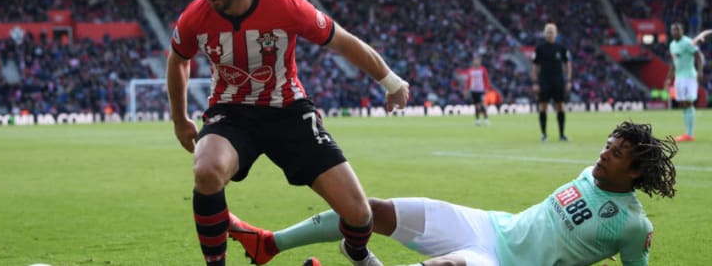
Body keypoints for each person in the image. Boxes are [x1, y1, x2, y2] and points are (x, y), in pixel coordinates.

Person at [167, 0, 410, 266]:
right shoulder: (196, 16)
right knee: (206, 171)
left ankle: (356, 252)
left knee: (359, 214)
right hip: (231, 114)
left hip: (290, 112)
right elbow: (178, 60)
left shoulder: (285, 6)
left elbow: (343, 41)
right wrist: (180, 120)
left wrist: (392, 82)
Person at [228, 121, 677, 266]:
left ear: (635, 172)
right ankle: (270, 243)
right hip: (490, 224)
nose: (603, 154)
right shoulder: (590, 173)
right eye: (608, 145)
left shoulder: (633, 225)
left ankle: (359, 259)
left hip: (502, 263)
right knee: (369, 211)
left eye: (616, 154)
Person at [663, 22, 704, 142]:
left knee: (689, 102)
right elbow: (674, 64)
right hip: (679, 78)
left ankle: (690, 134)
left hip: (689, 76)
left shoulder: (687, 42)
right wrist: (668, 78)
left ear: (682, 31)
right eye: (674, 30)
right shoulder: (672, 45)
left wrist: (700, 72)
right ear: (671, 32)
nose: (675, 32)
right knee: (683, 104)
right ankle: (687, 133)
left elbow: (699, 56)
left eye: (678, 30)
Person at [531, 22, 572, 142]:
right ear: (544, 33)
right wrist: (535, 82)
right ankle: (544, 134)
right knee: (543, 106)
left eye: (552, 31)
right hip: (544, 81)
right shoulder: (539, 48)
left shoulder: (561, 48)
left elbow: (567, 64)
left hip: (558, 80)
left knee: (560, 106)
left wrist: (568, 80)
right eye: (548, 31)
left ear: (556, 33)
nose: (550, 34)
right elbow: (534, 67)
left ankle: (562, 134)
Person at [454, 55, 491, 126]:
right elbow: (468, 81)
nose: (477, 61)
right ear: (473, 61)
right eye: (475, 60)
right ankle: (477, 120)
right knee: (476, 105)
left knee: (482, 104)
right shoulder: (470, 70)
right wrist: (466, 89)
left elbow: (486, 79)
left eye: (478, 60)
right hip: (474, 90)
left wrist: (487, 88)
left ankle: (486, 120)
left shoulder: (483, 69)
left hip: (481, 90)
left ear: (480, 62)